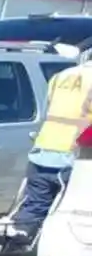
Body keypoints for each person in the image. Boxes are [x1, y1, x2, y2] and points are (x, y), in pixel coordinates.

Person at [13, 47, 92, 232]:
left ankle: (21, 243)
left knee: (35, 206)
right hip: (75, 155)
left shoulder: (61, 76)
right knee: (75, 213)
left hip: (43, 150)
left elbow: (51, 106)